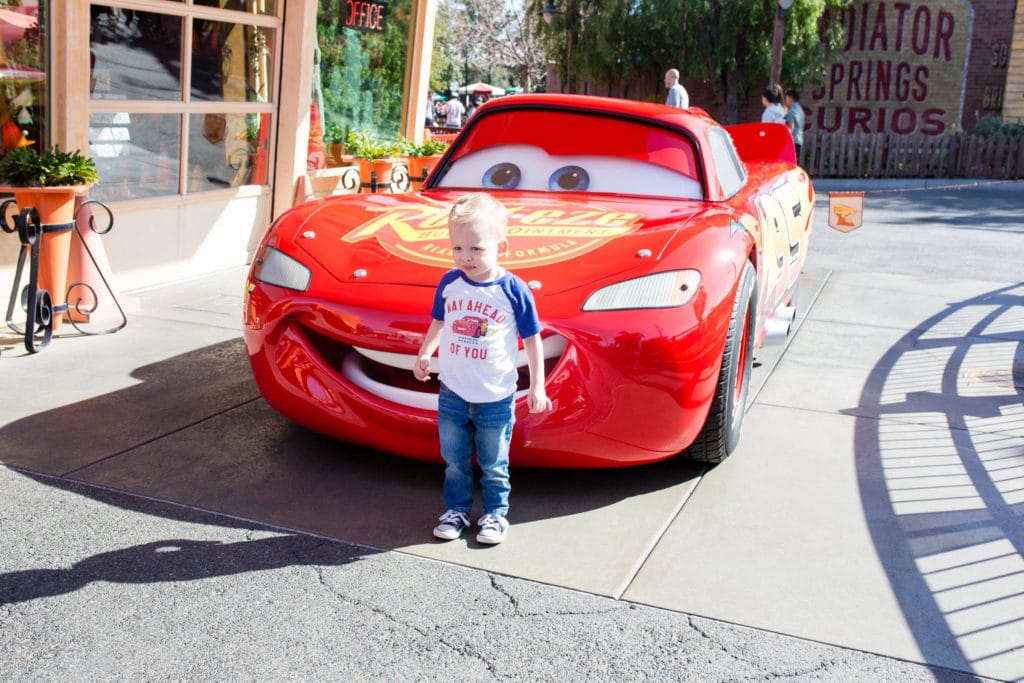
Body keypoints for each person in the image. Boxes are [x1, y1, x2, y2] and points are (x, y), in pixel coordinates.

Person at [414, 192, 552, 545]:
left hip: (495, 396)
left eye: (476, 248)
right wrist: (425, 351)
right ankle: (457, 510)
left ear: (500, 247)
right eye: (457, 248)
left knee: (493, 463)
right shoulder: (450, 283)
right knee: (455, 460)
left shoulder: (512, 289)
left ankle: (494, 514)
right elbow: (439, 321)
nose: (466, 257)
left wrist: (538, 386)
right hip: (454, 392)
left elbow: (533, 339)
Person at [784, 88, 805, 160]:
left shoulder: (792, 112)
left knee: (789, 164)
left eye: (786, 97)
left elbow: (790, 129)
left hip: (792, 141)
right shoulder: (800, 110)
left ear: (790, 98)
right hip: (799, 140)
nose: (785, 100)